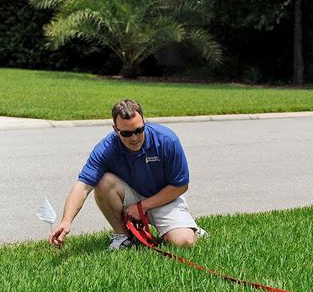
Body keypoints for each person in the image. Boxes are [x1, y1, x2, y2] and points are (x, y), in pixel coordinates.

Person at [49, 99, 206, 250]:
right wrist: (66, 221)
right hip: (131, 195)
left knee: (184, 242)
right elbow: (83, 187)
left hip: (163, 197)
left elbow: (180, 186)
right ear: (115, 130)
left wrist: (142, 207)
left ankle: (192, 229)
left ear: (144, 122)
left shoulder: (166, 140)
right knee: (103, 182)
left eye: (139, 130)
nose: (134, 138)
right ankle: (123, 236)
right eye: (126, 133)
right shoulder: (105, 149)